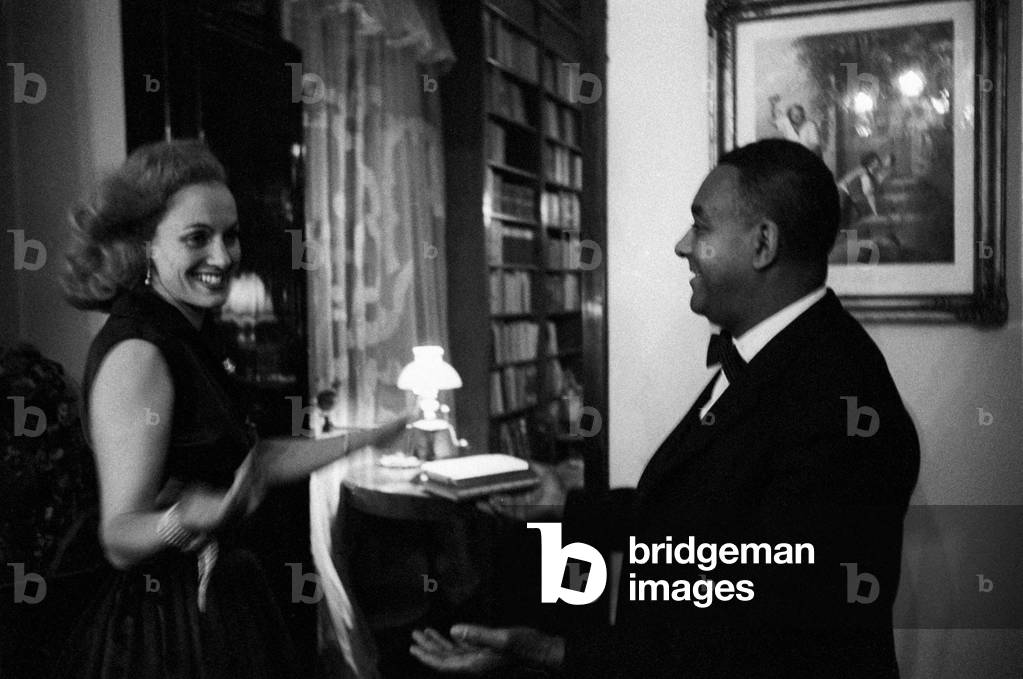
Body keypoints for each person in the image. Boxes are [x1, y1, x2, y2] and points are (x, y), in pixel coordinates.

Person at [410, 139, 920, 678]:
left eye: (700, 227)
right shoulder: (773, 352)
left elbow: (765, 642)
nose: (682, 246)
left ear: (763, 243)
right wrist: (566, 503)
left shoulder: (839, 399)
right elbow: (700, 521)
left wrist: (553, 653)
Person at [56, 139, 411, 678]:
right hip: (168, 627)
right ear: (144, 245)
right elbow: (120, 538)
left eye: (231, 236)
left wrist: (366, 437)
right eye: (198, 238)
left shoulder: (183, 334)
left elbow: (256, 461)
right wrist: (187, 518)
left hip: (217, 601)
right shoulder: (140, 353)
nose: (223, 257)